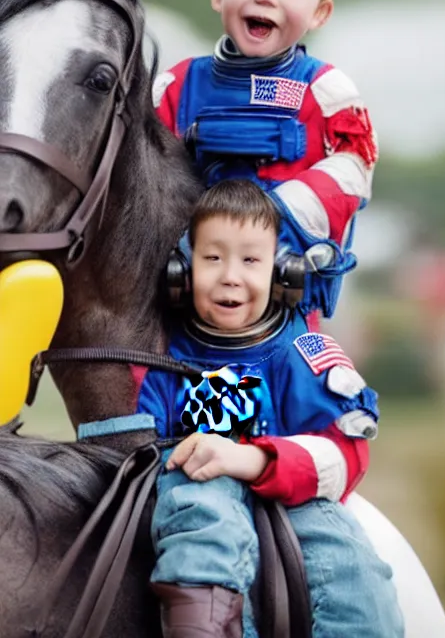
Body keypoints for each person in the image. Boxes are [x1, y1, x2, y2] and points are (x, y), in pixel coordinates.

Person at [137, 180, 403, 638]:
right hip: (198, 488)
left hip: (295, 498)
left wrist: (253, 458)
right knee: (202, 531)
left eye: (250, 260)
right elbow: (139, 442)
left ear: (282, 273)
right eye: (213, 258)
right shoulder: (160, 358)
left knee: (354, 573)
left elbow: (348, 450)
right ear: (182, 271)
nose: (230, 276)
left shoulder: (302, 350)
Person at [152, 0, 378, 321]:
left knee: (332, 387)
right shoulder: (175, 88)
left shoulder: (327, 91)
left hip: (282, 316)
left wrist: (272, 219)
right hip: (180, 315)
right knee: (150, 386)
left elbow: (354, 168)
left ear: (321, 11)